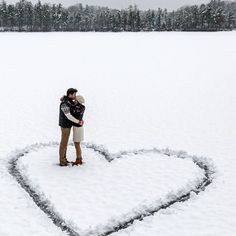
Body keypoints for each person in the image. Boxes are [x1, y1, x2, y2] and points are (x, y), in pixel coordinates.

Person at [59, 88, 84, 166]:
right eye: (74, 94)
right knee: (64, 143)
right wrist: (78, 121)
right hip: (65, 126)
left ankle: (64, 159)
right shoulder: (64, 104)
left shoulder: (69, 102)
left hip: (68, 125)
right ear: (70, 94)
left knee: (65, 143)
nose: (75, 96)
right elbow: (69, 116)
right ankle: (62, 161)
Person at [70, 95, 86, 166]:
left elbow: (73, 113)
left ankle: (79, 160)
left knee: (77, 144)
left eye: (76, 100)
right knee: (77, 144)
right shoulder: (82, 107)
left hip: (78, 128)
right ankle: (79, 158)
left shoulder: (77, 108)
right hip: (79, 127)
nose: (74, 100)